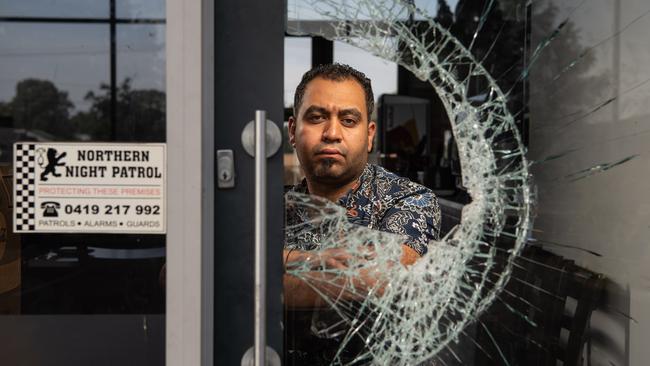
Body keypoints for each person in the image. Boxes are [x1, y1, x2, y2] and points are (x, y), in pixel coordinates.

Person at [283, 63, 441, 363]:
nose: (331, 133)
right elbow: (173, 276)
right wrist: (308, 260)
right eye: (316, 118)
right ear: (293, 131)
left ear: (369, 135)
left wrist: (252, 282)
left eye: (348, 119)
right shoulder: (269, 206)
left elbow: (376, 279)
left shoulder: (409, 201)